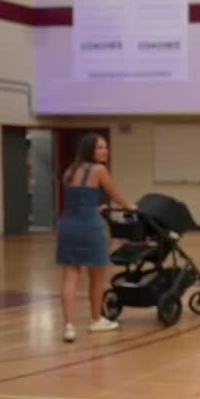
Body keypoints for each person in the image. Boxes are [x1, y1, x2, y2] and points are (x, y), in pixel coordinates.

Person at [56, 133, 136, 342]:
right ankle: (96, 319)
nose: (105, 151)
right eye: (100, 148)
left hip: (67, 226)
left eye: (106, 148)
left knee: (70, 276)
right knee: (97, 277)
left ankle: (69, 327)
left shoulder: (68, 171)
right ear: (89, 150)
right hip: (91, 228)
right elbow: (115, 195)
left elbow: (77, 200)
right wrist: (130, 206)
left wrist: (95, 206)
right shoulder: (99, 170)